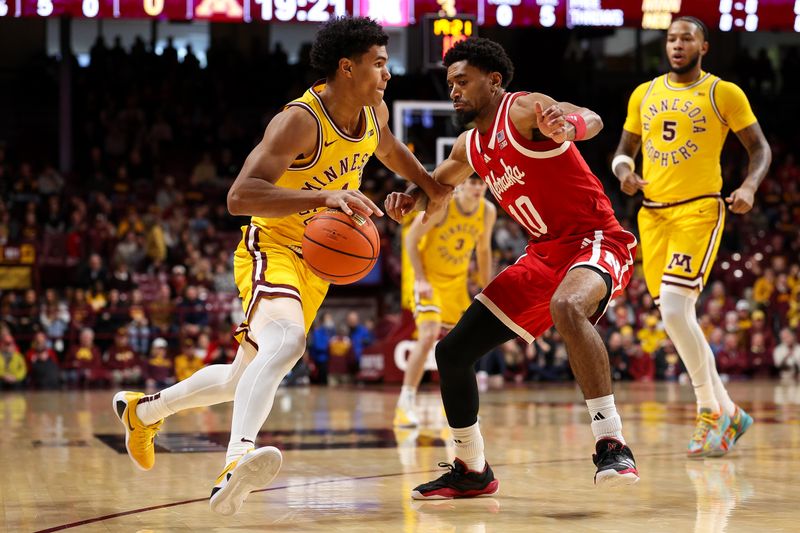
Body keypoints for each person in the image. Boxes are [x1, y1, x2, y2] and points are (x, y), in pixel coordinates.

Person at [111, 17, 450, 516]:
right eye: (378, 63)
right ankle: (235, 460)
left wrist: (424, 189)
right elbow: (238, 196)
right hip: (273, 246)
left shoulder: (372, 109)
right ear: (346, 67)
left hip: (316, 264)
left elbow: (391, 150)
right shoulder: (300, 120)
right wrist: (324, 195)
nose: (388, 73)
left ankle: (143, 412)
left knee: (239, 379)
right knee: (287, 344)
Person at [385, 37, 639, 499]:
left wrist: (570, 125)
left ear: (494, 80)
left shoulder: (523, 110)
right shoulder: (469, 146)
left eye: (462, 80)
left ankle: (611, 441)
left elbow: (593, 118)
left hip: (594, 240)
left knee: (567, 305)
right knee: (452, 354)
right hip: (542, 256)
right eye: (450, 84)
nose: (454, 91)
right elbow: (436, 187)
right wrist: (411, 197)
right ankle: (472, 467)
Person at [612, 17, 771, 457]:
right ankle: (729, 412)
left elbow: (760, 149)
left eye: (687, 38)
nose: (677, 44)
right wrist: (624, 173)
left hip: (700, 209)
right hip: (653, 215)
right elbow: (623, 153)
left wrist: (749, 187)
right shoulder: (644, 94)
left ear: (704, 46)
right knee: (674, 318)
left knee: (679, 310)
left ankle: (708, 411)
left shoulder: (724, 92)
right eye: (671, 38)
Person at [394, 174, 496, 427]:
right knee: (428, 334)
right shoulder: (444, 206)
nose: (477, 187)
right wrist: (420, 279)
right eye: (472, 182)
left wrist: (489, 288)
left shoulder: (487, 211)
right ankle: (404, 405)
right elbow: (410, 239)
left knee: (460, 345)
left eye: (481, 183)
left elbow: (483, 251)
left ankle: (456, 406)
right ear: (461, 184)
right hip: (426, 278)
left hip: (455, 283)